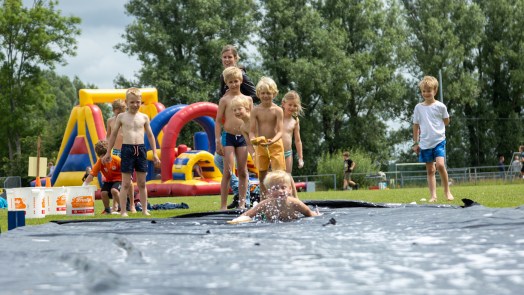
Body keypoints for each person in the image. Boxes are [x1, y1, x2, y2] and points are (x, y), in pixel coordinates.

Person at [103, 87, 160, 217]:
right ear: (126, 102)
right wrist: (108, 152)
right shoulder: (122, 117)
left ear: (141, 102)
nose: (135, 105)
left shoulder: (144, 117)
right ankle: (123, 210)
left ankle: (145, 209)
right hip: (127, 150)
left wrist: (155, 153)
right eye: (132, 102)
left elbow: (151, 136)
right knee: (126, 183)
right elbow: (113, 135)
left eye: (138, 102)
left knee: (142, 183)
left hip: (140, 149)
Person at [214, 44, 258, 209]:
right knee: (227, 170)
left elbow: (252, 119)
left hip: (243, 137)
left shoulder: (247, 98)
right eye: (230, 82)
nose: (233, 84)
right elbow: (218, 120)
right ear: (227, 82)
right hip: (229, 136)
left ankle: (242, 203)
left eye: (236, 82)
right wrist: (218, 140)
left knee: (243, 171)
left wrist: (253, 138)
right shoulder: (224, 99)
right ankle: (223, 205)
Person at [412, 76, 454, 202]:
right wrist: (415, 143)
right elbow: (415, 126)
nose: (426, 93)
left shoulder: (441, 107)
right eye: (423, 91)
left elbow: (446, 121)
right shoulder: (418, 108)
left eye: (428, 91)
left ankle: (447, 192)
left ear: (435, 91)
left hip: (439, 141)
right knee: (430, 170)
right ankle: (433, 196)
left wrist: (440, 122)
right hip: (425, 143)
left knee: (440, 165)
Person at [229, 170, 319, 223]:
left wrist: (317, 215)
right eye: (275, 188)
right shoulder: (266, 204)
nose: (280, 191)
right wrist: (237, 220)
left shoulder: (294, 203)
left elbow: (310, 214)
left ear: (290, 189)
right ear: (269, 192)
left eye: (283, 187)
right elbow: (248, 214)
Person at [249, 77, 286, 200]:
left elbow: (280, 131)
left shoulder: (278, 110)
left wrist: (273, 140)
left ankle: (281, 199)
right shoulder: (255, 110)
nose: (266, 96)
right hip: (261, 144)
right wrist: (253, 139)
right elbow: (252, 131)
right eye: (263, 93)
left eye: (268, 93)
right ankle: (264, 201)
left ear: (274, 94)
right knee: (262, 175)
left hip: (275, 144)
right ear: (258, 94)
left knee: (279, 174)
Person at [83, 141, 121, 214]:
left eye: (106, 155)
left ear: (109, 152)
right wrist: (84, 185)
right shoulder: (99, 162)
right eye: (102, 156)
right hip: (109, 181)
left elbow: (125, 171)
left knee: (114, 190)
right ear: (99, 156)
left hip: (120, 180)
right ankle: (107, 210)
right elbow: (92, 175)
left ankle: (122, 208)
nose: (105, 157)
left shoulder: (117, 160)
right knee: (103, 192)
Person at [106, 99, 129, 211]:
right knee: (115, 177)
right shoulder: (110, 121)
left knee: (125, 177)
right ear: (114, 110)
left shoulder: (127, 119)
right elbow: (108, 136)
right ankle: (115, 203)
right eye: (118, 110)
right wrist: (108, 150)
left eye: (122, 110)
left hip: (125, 149)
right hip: (115, 151)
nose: (120, 112)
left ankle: (128, 202)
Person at [281, 90, 304, 173]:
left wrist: (300, 158)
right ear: (283, 104)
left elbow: (298, 141)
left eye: (295, 105)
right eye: (290, 105)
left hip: (288, 153)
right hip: (274, 152)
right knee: (275, 178)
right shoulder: (277, 116)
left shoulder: (295, 121)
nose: (292, 107)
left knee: (287, 177)